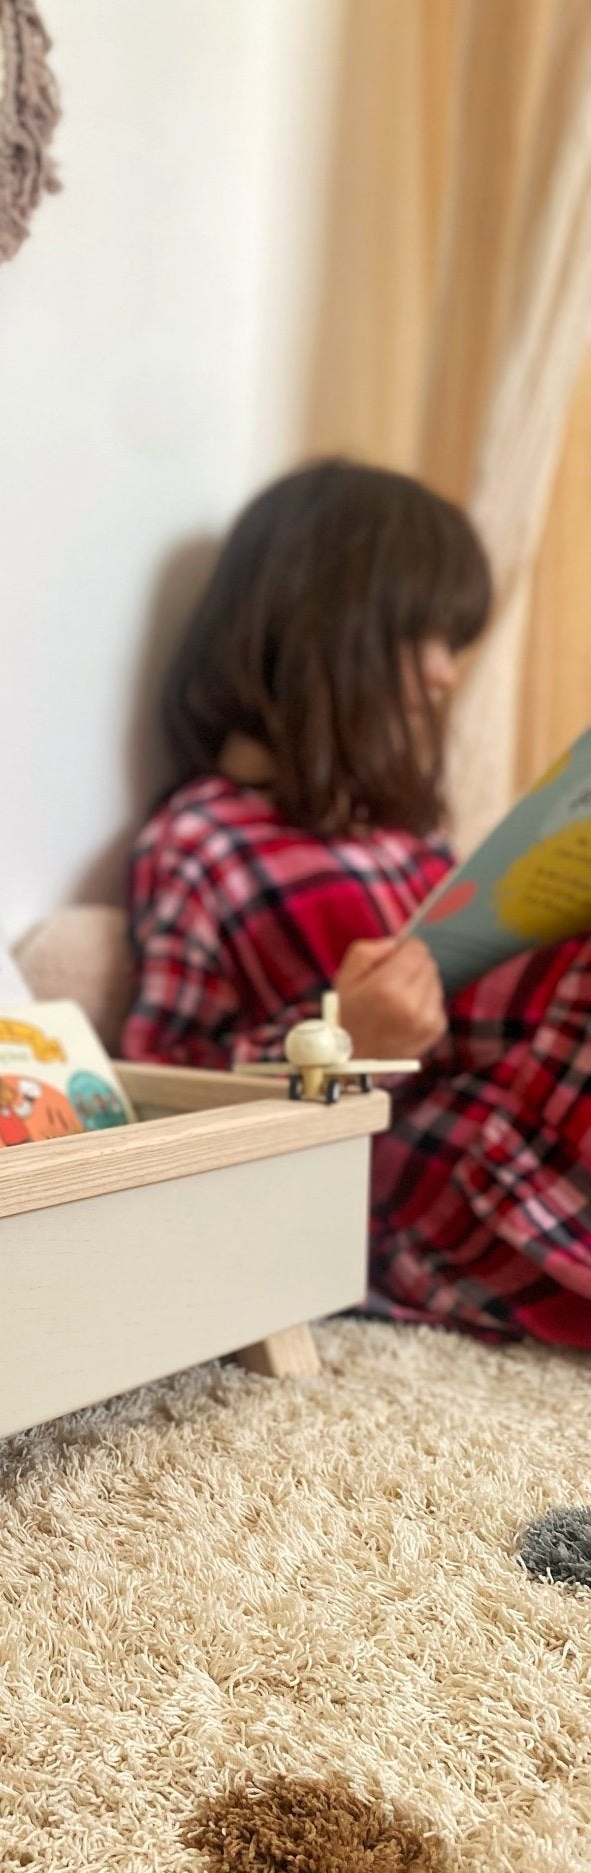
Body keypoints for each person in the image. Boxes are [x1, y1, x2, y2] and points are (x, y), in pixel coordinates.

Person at [123, 459, 591, 1346]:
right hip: (405, 1189)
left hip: (507, 1120)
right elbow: (159, 1090)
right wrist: (342, 1043)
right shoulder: (204, 837)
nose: (448, 677)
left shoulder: (410, 838)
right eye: (427, 640)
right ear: (332, 634)